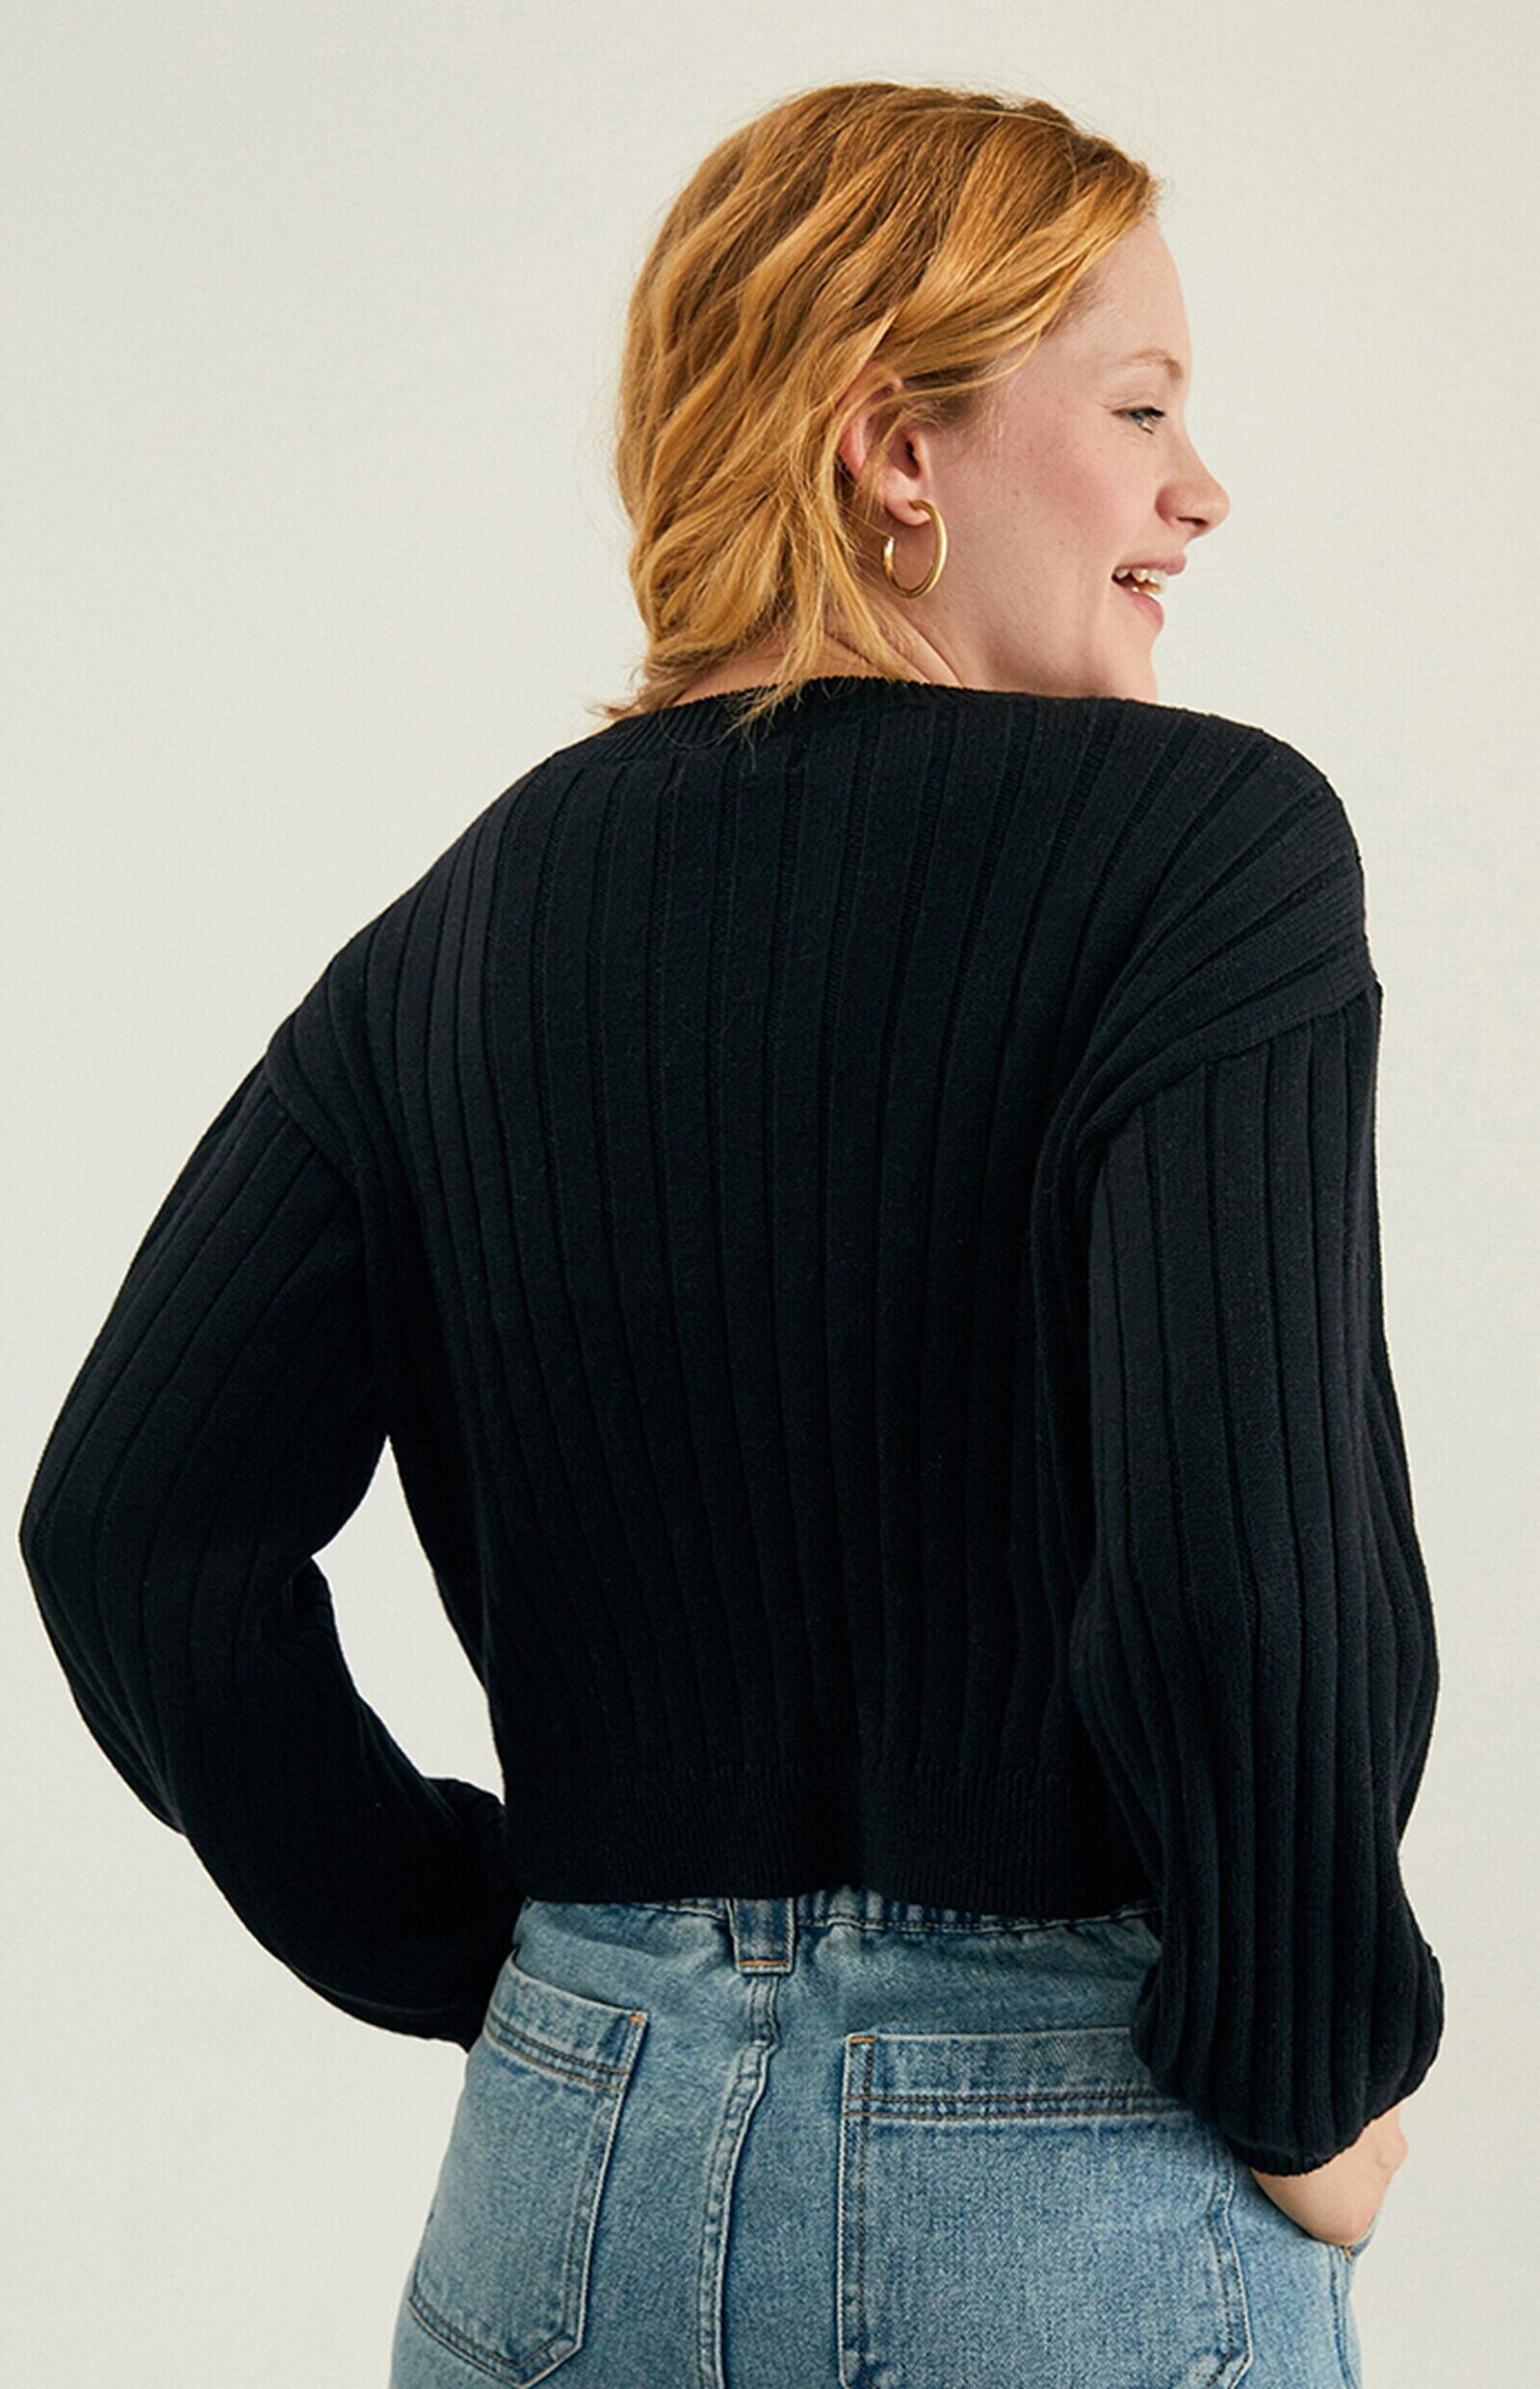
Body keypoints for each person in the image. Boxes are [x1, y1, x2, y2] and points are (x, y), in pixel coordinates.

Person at [18, 78, 1441, 2387]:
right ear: (893, 447)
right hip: (1055, 2175)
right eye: (1140, 407)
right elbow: (1239, 1575)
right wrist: (1309, 2066)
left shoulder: (466, 922)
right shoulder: (1203, 845)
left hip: (560, 2173)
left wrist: (487, 1952)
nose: (1199, 488)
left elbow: (131, 1523)